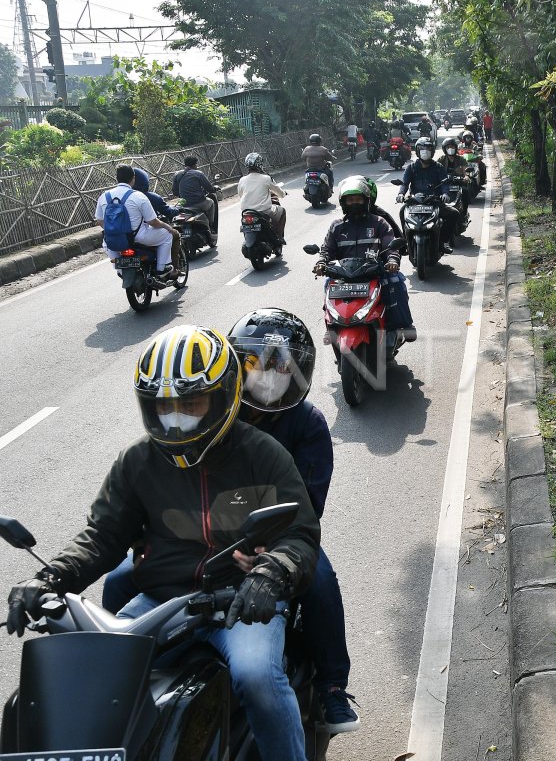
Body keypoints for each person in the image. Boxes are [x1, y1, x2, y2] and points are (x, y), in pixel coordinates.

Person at [7, 325, 321, 761]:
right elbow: (102, 537)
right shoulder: (137, 462)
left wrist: (271, 572)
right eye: (163, 406)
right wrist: (50, 577)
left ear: (223, 396)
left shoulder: (262, 454)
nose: (176, 418)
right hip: (160, 603)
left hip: (237, 604)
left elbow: (299, 534)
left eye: (190, 403)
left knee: (257, 678)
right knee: (98, 678)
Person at [102, 310, 361, 734]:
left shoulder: (306, 424)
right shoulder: (209, 413)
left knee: (320, 581)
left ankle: (332, 685)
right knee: (117, 580)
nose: (268, 376)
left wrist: (267, 554)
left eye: (281, 365)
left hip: (275, 540)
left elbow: (307, 507)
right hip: (198, 544)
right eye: (255, 364)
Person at [314, 177, 416, 344]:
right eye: (350, 200)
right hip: (344, 276)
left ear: (366, 201)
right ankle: (331, 328)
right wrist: (321, 262)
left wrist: (392, 260)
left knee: (396, 281)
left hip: (374, 273)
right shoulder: (336, 226)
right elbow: (327, 249)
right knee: (327, 285)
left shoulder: (379, 223)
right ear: (344, 202)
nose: (354, 203)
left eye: (358, 199)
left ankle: (405, 325)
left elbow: (390, 245)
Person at [96, 164, 179, 280]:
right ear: (133, 178)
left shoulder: (104, 196)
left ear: (116, 178)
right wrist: (167, 227)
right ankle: (161, 269)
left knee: (108, 247)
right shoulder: (138, 196)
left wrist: (114, 232)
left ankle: (120, 271)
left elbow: (100, 220)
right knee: (167, 235)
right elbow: (152, 221)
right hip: (139, 237)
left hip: (112, 241)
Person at [397, 137, 456, 255]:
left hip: (434, 202)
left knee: (454, 214)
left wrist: (445, 194)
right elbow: (404, 184)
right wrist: (400, 194)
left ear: (432, 151)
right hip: (415, 202)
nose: (425, 151)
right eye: (422, 149)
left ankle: (443, 242)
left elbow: (445, 183)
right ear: (417, 151)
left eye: (428, 149)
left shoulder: (438, 167)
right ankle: (407, 241)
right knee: (402, 211)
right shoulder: (411, 167)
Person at [238, 153, 288, 240]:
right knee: (282, 211)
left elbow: (240, 195)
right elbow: (278, 192)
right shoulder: (266, 178)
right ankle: (279, 238)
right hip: (264, 211)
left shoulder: (242, 180)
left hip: (246, 212)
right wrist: (283, 194)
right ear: (260, 164)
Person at [171, 156, 219, 233]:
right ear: (194, 165)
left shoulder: (177, 174)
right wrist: (215, 188)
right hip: (198, 203)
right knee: (211, 203)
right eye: (196, 164)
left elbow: (174, 192)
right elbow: (209, 189)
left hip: (184, 204)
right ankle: (211, 226)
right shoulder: (198, 173)